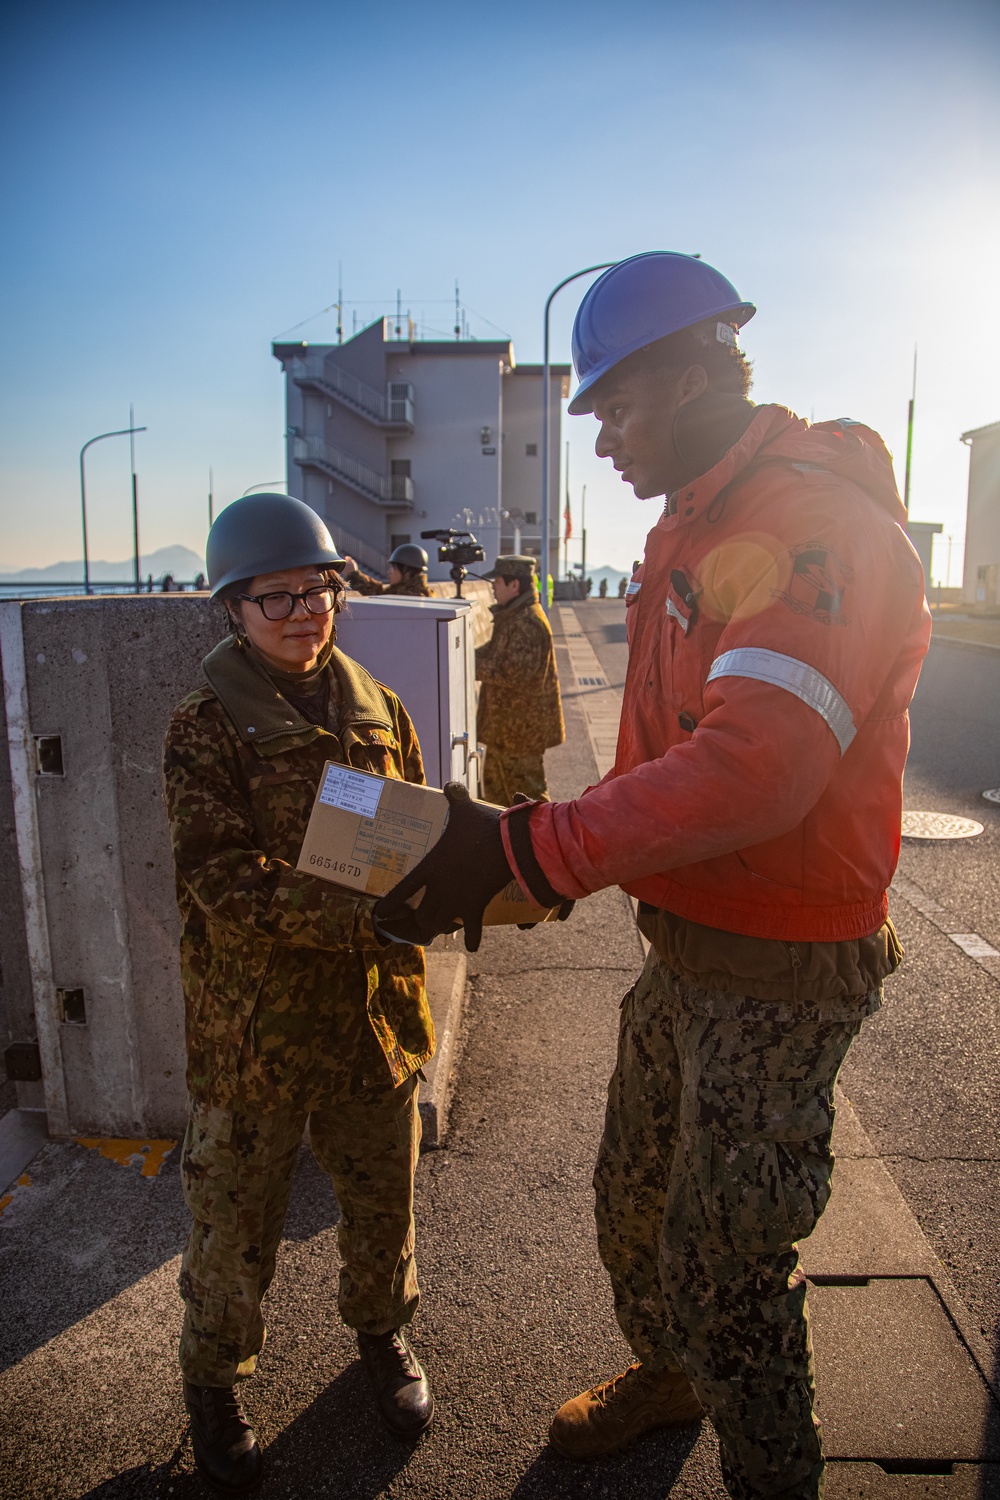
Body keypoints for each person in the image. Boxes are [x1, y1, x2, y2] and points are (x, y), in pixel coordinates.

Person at [373, 252, 931, 1499]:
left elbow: (755, 766)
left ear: (688, 379)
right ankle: (667, 1376)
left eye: (617, 409)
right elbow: (672, 760)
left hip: (783, 966)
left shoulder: (812, 526)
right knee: (631, 1201)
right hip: (683, 946)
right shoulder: (695, 523)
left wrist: (528, 849)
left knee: (727, 1269)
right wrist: (527, 853)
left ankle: (770, 1478)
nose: (606, 443)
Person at [162, 493, 436, 1495]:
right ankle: (214, 1383)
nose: (302, 611)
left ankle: (382, 1337)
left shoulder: (376, 706)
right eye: (273, 597)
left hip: (372, 1017)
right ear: (232, 610)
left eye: (317, 588)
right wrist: (361, 912)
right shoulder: (206, 730)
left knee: (382, 1204)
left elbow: (408, 832)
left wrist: (453, 878)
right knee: (234, 1225)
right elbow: (220, 879)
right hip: (258, 1032)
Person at [475, 554, 565, 804]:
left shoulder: (528, 622)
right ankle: (505, 843)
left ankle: (544, 844)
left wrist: (469, 665)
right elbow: (493, 651)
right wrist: (461, 655)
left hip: (521, 735)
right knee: (496, 799)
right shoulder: (513, 616)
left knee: (529, 803)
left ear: (514, 585)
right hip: (505, 731)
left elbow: (512, 673)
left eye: (498, 581)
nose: (493, 586)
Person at [342, 542, 431, 597]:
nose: (389, 572)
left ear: (407, 572)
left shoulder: (410, 596)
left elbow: (380, 596)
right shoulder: (415, 591)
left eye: (393, 568)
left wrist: (354, 575)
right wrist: (354, 574)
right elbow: (379, 592)